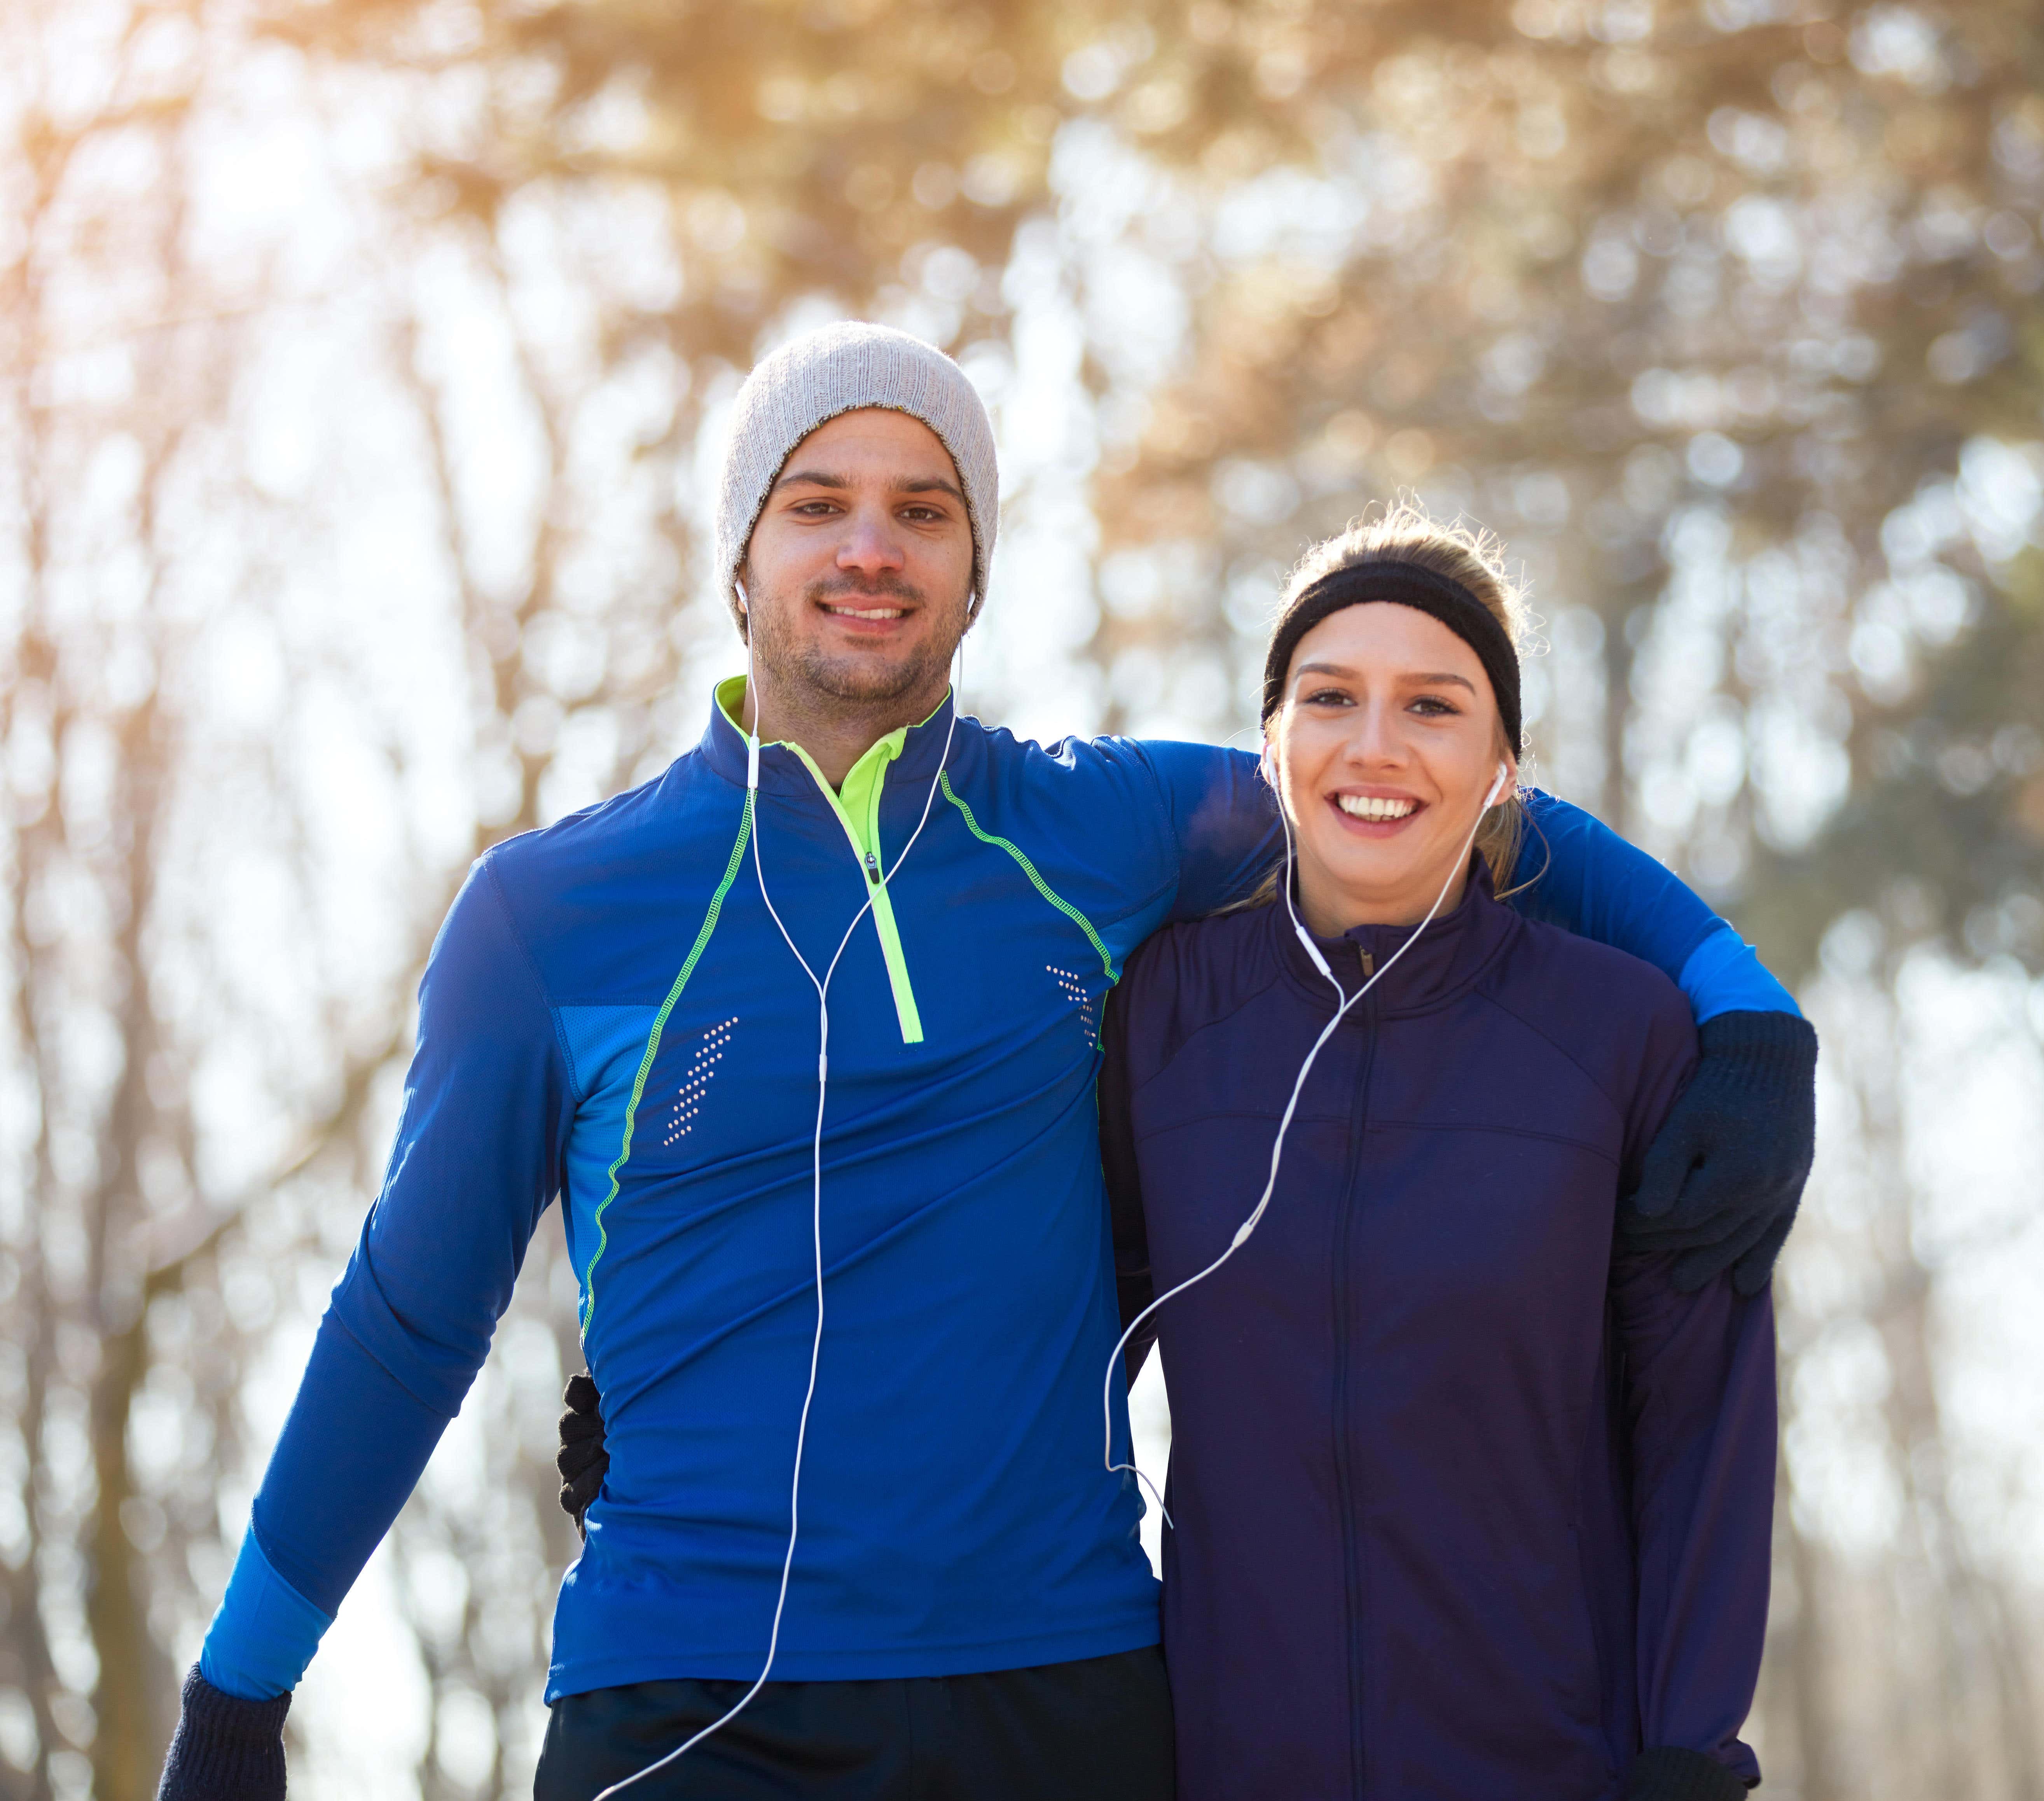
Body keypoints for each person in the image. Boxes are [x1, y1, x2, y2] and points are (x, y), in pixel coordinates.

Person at [155, 324, 1816, 1801]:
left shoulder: (1098, 830)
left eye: (924, 509)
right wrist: (244, 1687)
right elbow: (407, 1320)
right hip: (690, 1694)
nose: (871, 546)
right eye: (817, 501)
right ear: (739, 555)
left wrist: (1744, 1016)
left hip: (1068, 1692)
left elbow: (1415, 788)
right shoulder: (552, 915)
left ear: (974, 572)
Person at [1098, 512, 1775, 1801]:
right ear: (1271, 745)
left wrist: (1690, 1745)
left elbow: (1703, 1423)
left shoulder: (1617, 1036)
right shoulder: (1163, 1018)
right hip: (1229, 1758)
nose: (1374, 746)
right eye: (1331, 697)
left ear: (1505, 765)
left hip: (1542, 1756)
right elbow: (1040, 1334)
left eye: (1432, 706)